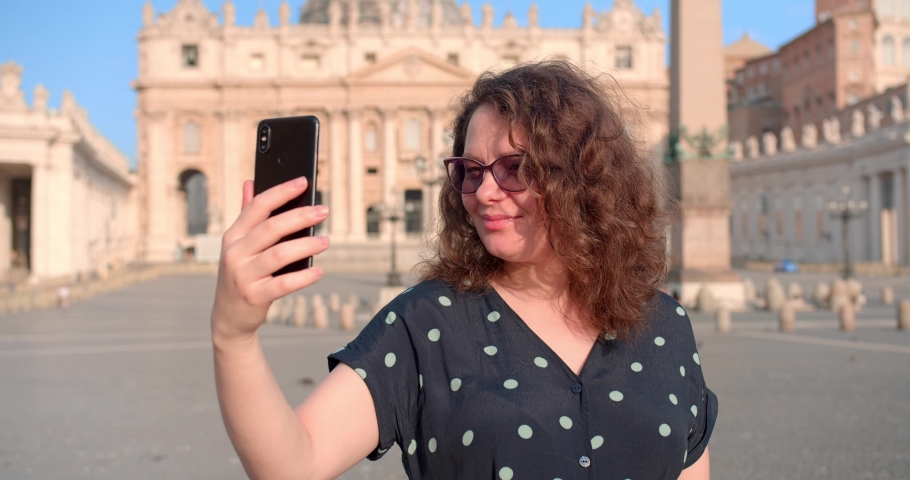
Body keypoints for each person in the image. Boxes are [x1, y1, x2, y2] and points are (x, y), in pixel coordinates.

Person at [211, 61, 717, 480]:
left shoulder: (664, 325)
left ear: (586, 178)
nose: (485, 192)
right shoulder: (427, 322)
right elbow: (292, 465)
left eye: (514, 167)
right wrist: (233, 337)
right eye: (471, 170)